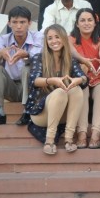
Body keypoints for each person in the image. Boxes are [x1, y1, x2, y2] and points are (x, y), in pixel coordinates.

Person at [26, 24, 87, 154]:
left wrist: (79, 80)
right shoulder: (39, 58)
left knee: (76, 89)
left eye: (57, 37)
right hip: (41, 113)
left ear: (64, 39)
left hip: (63, 113)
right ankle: (49, 140)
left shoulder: (70, 60)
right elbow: (33, 80)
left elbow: (84, 77)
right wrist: (52, 80)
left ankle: (69, 139)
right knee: (60, 92)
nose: (54, 41)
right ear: (46, 41)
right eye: (50, 38)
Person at [0, 6, 43, 126]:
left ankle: (27, 111)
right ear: (9, 23)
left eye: (22, 22)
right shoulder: (3, 39)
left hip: (31, 87)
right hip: (11, 87)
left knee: (28, 67)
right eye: (15, 22)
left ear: (29, 23)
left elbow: (39, 55)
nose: (18, 26)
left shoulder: (38, 36)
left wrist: (26, 54)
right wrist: (0, 54)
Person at [69, 8, 100, 149]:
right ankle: (82, 133)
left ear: (95, 23)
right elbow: (72, 52)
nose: (86, 23)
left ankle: (96, 133)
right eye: (83, 20)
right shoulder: (70, 39)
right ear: (77, 24)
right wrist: (84, 61)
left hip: (97, 76)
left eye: (90, 20)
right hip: (79, 77)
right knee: (82, 90)